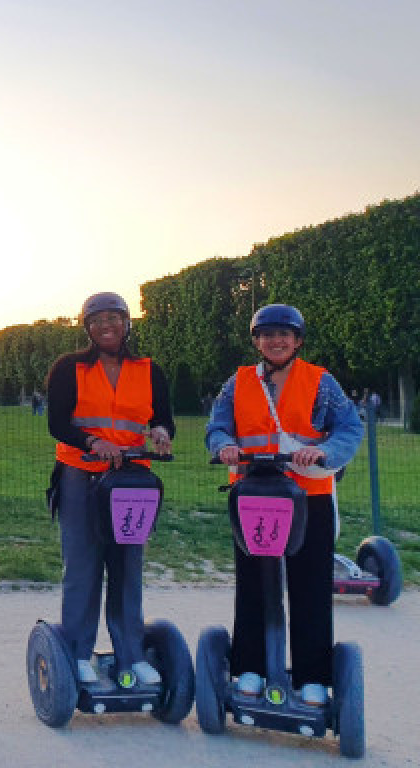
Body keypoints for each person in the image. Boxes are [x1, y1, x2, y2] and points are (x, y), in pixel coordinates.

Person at [206, 303, 363, 705]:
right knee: (253, 584)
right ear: (257, 341)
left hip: (308, 496)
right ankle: (250, 669)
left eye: (284, 334)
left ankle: (312, 676)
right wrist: (223, 445)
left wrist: (324, 452)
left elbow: (349, 427)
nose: (276, 341)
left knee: (310, 585)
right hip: (255, 495)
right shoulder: (238, 382)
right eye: (268, 334)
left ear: (297, 341)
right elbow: (217, 425)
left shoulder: (320, 381)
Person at [45, 292, 173, 685]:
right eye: (98, 320)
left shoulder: (149, 371)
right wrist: (92, 442)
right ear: (87, 328)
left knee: (127, 565)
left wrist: (161, 432)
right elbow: (57, 423)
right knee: (82, 565)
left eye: (114, 318)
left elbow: (164, 417)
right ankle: (78, 652)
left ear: (126, 323)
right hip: (81, 472)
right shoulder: (69, 368)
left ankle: (131, 654)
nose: (106, 326)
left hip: (131, 476)